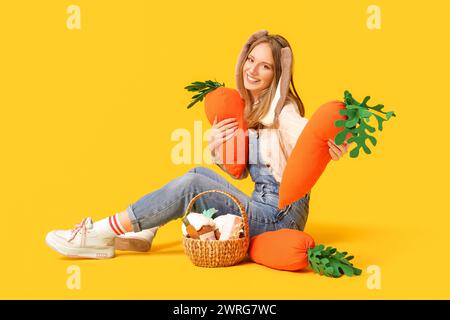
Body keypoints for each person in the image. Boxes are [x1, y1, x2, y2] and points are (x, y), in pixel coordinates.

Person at [45, 30, 349, 259]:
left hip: (279, 217)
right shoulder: (251, 110)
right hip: (261, 207)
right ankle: (145, 231)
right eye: (250, 60)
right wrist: (219, 147)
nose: (252, 70)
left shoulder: (284, 111)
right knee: (196, 173)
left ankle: (99, 233)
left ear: (277, 75)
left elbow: (304, 132)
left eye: (265, 66)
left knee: (194, 181)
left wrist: (331, 143)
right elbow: (240, 174)